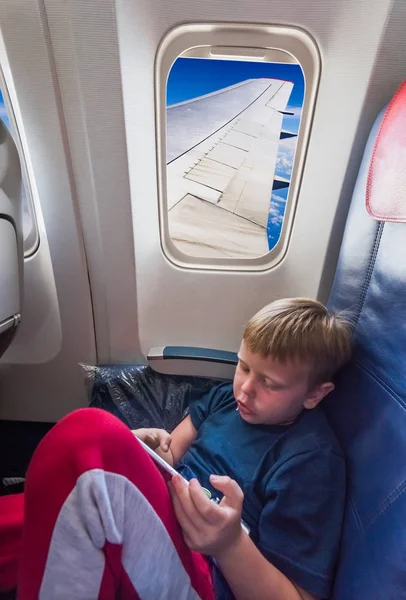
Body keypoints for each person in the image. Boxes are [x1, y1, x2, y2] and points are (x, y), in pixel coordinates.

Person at [0, 298, 352, 600]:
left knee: (88, 436)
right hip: (170, 515)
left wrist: (229, 545)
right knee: (58, 488)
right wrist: (149, 448)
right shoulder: (225, 401)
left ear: (314, 394)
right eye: (244, 367)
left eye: (269, 384)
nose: (244, 390)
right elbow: (171, 453)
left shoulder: (312, 462)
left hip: (209, 572)